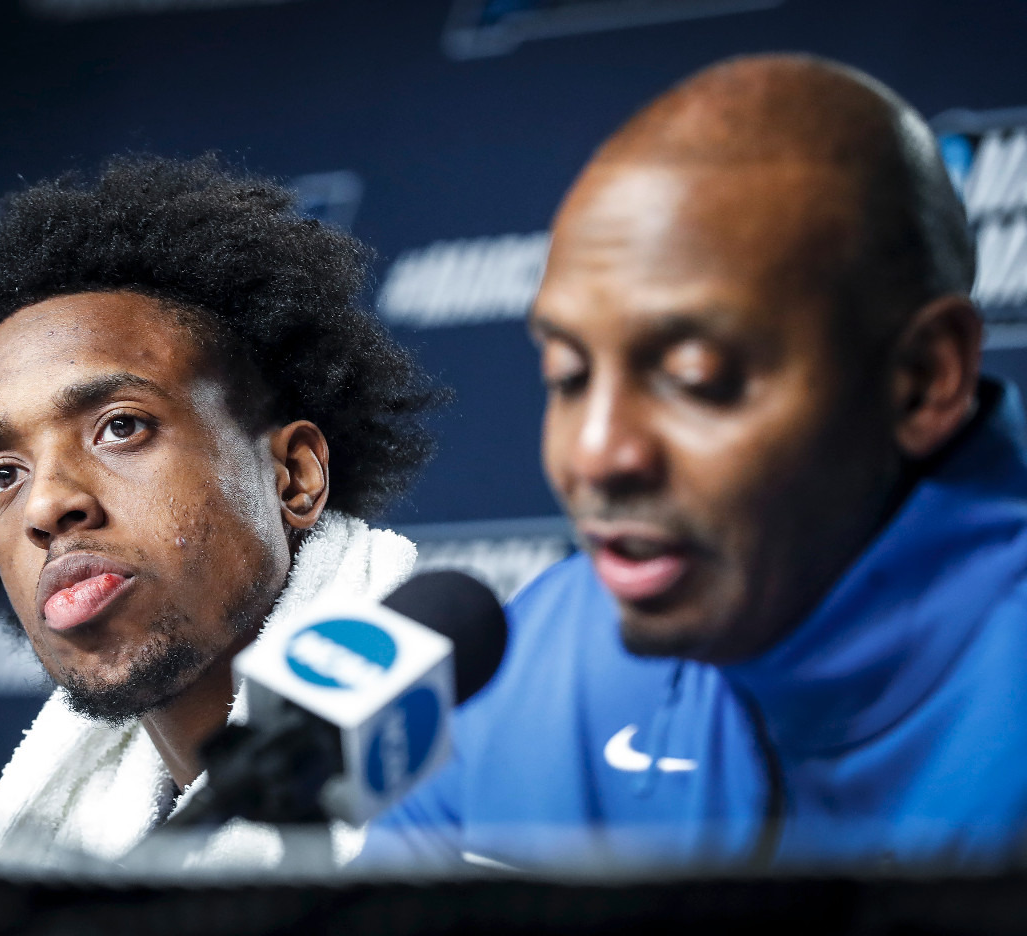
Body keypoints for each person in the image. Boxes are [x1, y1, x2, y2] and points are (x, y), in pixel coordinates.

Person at [365, 54, 1027, 872]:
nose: (597, 453)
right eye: (568, 376)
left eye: (694, 381)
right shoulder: (522, 671)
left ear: (922, 380)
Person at [0, 155, 445, 869]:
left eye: (120, 426)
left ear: (294, 476)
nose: (46, 506)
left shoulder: (485, 774)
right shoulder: (63, 849)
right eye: (3, 476)